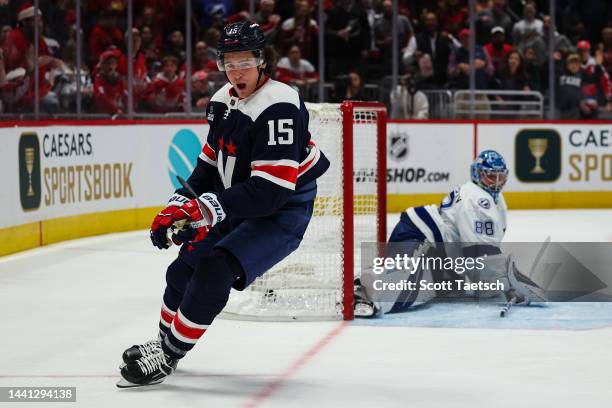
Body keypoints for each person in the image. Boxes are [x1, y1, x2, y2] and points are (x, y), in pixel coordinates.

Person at [117, 21, 330, 388]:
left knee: (215, 270)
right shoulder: (221, 101)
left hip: (281, 211)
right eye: (229, 63)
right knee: (181, 271)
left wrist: (204, 209)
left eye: (245, 61)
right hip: (239, 199)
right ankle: (163, 341)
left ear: (263, 61)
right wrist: (178, 204)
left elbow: (271, 192)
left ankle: (168, 355)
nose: (236, 71)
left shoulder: (279, 105)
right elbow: (210, 163)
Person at [354, 151, 546, 317]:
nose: (496, 182)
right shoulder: (476, 199)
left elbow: (480, 256)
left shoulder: (495, 201)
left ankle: (369, 280)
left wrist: (497, 285)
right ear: (477, 174)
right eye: (490, 176)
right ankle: (365, 293)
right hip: (421, 236)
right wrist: (508, 286)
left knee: (447, 290)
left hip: (441, 252)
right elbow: (479, 253)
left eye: (500, 177)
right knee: (415, 286)